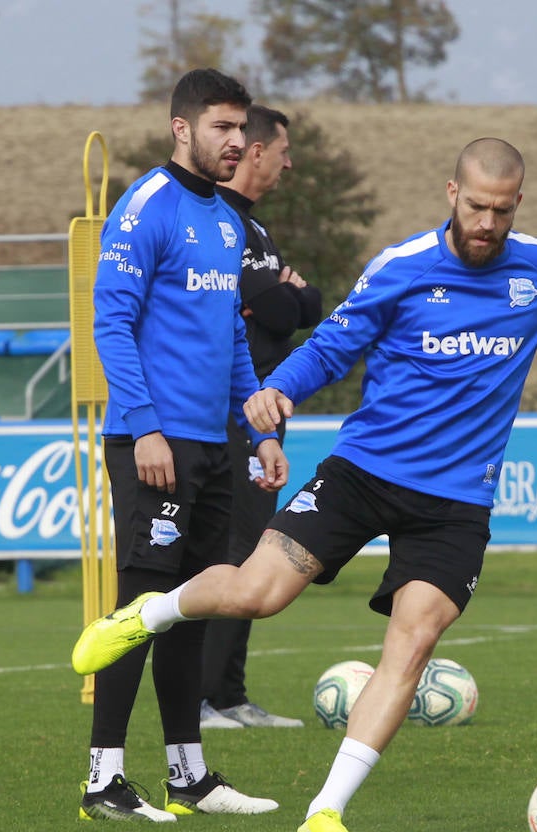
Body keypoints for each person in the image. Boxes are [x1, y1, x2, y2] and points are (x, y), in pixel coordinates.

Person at [73, 136, 537, 832]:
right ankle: (148, 612)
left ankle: (325, 813)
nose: (488, 223)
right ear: (451, 194)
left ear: (518, 203)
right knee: (256, 594)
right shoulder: (402, 269)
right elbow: (333, 342)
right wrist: (279, 390)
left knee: (413, 640)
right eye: (477, 206)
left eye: (502, 210)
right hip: (363, 476)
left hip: (455, 505)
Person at [78, 68, 289, 822]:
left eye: (243, 130)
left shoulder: (228, 220)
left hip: (212, 444)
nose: (238, 142)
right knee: (138, 608)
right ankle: (102, 779)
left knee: (188, 609)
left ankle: (187, 774)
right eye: (223, 128)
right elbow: (112, 322)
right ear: (182, 128)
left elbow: (231, 335)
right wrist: (145, 426)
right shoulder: (146, 207)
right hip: (153, 443)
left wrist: (258, 428)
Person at [202, 105, 322, 730]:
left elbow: (302, 305)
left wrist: (293, 295)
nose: (288, 162)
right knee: (232, 549)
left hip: (266, 410)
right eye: (282, 151)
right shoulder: (222, 223)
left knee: (252, 549)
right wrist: (289, 294)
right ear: (255, 152)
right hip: (232, 413)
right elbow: (278, 309)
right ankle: (205, 698)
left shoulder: (257, 227)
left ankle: (230, 695)